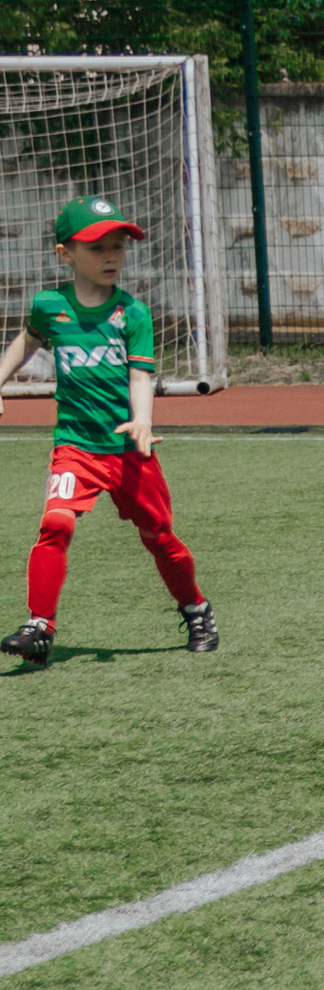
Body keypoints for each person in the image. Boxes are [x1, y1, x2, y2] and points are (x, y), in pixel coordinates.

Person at [0, 197, 217, 666]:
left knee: (159, 536)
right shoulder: (49, 307)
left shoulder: (133, 315)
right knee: (55, 524)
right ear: (66, 254)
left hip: (127, 451)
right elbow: (26, 340)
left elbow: (141, 376)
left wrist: (143, 421)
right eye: (98, 247)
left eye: (119, 246)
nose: (113, 256)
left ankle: (196, 608)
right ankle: (40, 625)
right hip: (75, 446)